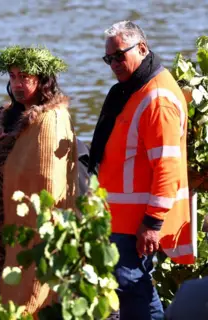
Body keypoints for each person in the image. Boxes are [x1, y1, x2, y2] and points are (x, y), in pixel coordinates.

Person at [88, 21, 193, 319]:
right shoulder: (134, 90)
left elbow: (168, 167)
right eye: (109, 59)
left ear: (142, 49)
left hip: (137, 222)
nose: (114, 64)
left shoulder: (156, 98)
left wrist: (152, 223)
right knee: (130, 291)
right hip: (121, 217)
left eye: (120, 55)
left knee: (135, 292)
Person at [0, 46, 78, 317]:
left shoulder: (51, 120)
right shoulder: (12, 118)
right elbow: (17, 161)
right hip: (9, 226)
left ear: (43, 80)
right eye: (13, 77)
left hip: (34, 226)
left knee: (34, 295)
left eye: (24, 77)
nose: (17, 84)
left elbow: (48, 178)